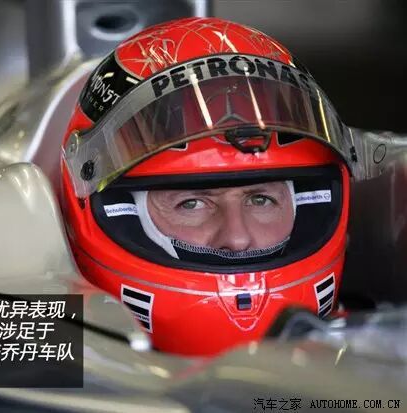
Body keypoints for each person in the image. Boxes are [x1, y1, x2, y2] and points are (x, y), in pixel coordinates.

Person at [59, 17, 354, 355]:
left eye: (260, 199)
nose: (237, 238)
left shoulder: (381, 351)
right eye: (192, 203)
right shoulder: (44, 362)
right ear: (116, 210)